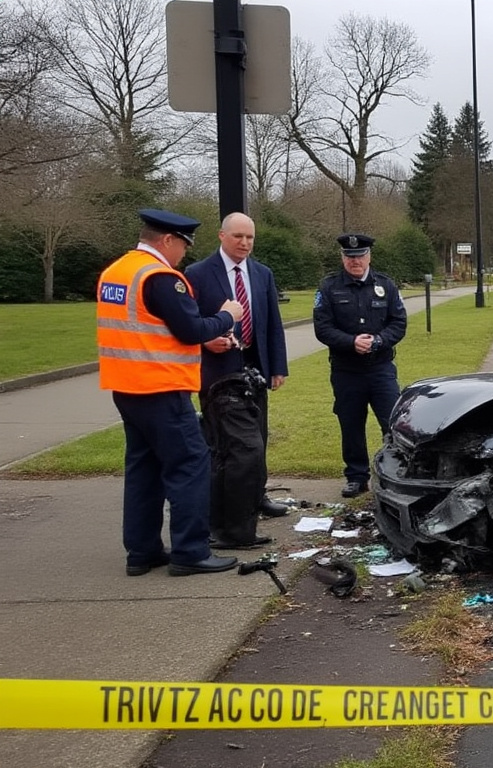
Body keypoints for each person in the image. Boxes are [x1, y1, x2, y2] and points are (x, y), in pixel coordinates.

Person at [96, 209, 243, 577]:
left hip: (127, 386)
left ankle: (141, 552)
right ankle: (190, 552)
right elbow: (190, 328)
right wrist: (227, 316)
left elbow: (151, 326)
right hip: (161, 387)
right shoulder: (161, 277)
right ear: (168, 240)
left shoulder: (116, 272)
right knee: (190, 465)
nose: (184, 255)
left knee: (143, 469)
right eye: (183, 246)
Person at [183, 214, 291, 547]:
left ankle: (254, 498)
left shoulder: (261, 274)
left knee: (257, 440)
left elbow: (272, 322)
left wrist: (278, 366)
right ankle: (225, 521)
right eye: (238, 237)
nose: (244, 243)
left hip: (254, 371)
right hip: (218, 375)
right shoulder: (197, 274)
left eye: (250, 238)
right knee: (232, 448)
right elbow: (188, 323)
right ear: (222, 235)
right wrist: (204, 340)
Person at [313, 234, 407, 498]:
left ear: (369, 257)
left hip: (380, 368)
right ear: (343, 258)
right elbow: (322, 328)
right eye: (350, 257)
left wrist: (377, 341)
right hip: (346, 370)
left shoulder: (386, 286)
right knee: (351, 424)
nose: (355, 261)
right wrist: (351, 342)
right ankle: (356, 476)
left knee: (392, 422)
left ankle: (396, 472)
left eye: (360, 256)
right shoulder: (329, 287)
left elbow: (398, 323)